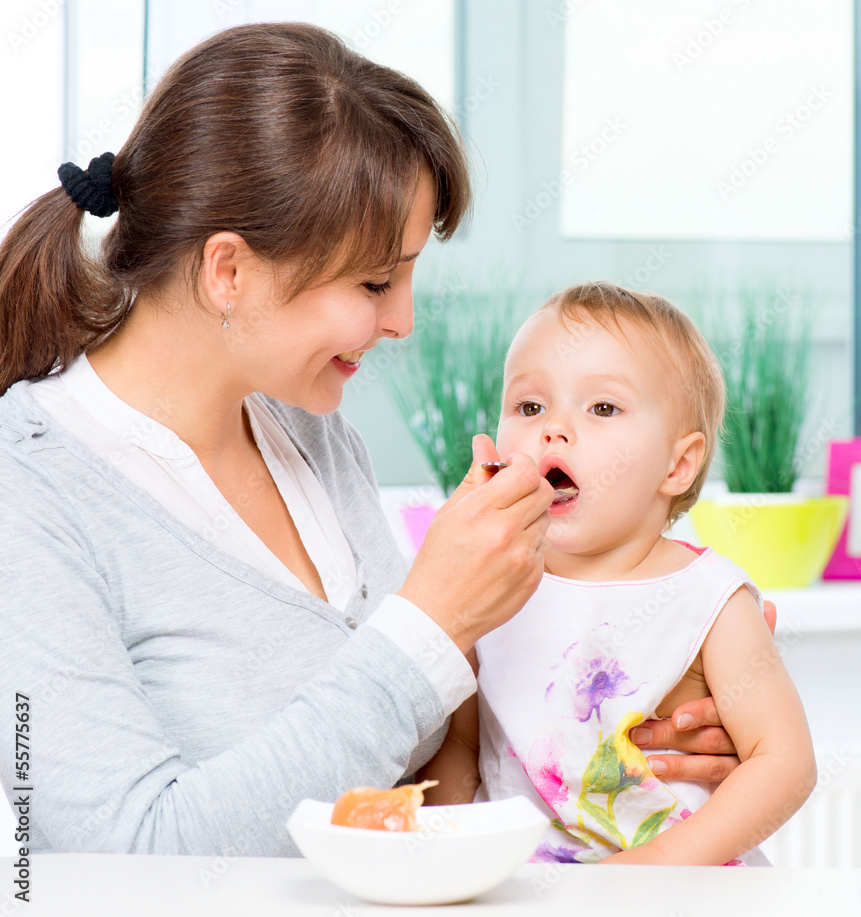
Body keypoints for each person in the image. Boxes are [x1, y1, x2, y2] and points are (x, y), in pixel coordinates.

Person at [0, 24, 749, 857]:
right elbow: (117, 857)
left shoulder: (310, 432)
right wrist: (432, 619)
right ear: (228, 271)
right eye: (375, 282)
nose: (403, 321)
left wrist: (603, 718)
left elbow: (402, 769)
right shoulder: (27, 492)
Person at [420, 282, 816, 866]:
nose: (553, 429)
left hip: (679, 894)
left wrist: (644, 874)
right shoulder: (491, 586)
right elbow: (460, 744)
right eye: (530, 408)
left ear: (678, 464)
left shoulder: (709, 598)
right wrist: (434, 854)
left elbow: (785, 764)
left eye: (602, 408)